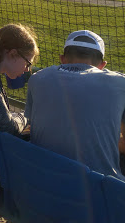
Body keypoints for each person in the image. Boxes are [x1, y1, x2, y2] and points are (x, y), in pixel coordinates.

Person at [25, 30, 125, 179]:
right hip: (101, 193)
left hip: (42, 180)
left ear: (62, 59)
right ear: (102, 65)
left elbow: (33, 126)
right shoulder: (120, 84)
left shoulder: (37, 78)